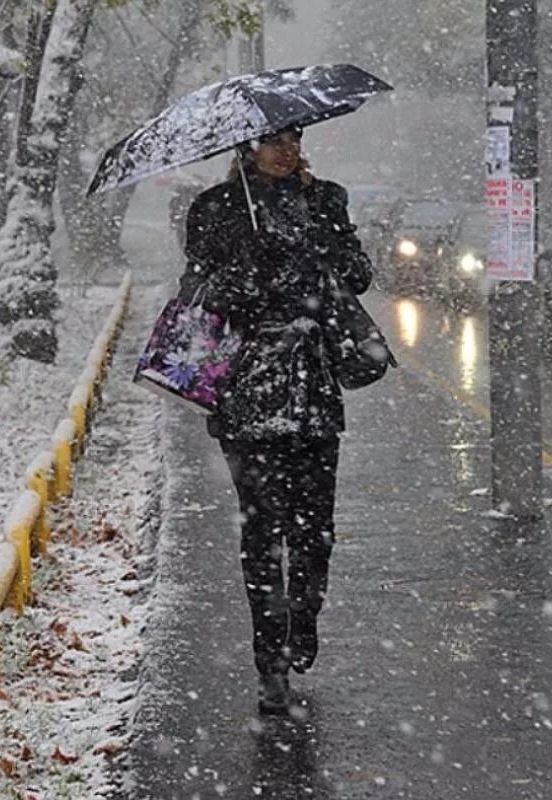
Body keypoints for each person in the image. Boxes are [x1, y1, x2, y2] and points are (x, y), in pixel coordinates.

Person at [178, 127, 372, 715]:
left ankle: (304, 617)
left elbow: (359, 274)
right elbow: (198, 292)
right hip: (248, 391)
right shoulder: (215, 209)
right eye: (271, 141)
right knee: (263, 534)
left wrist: (322, 247)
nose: (285, 149)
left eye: (293, 137)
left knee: (315, 530)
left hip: (313, 389)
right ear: (246, 149)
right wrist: (252, 274)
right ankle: (271, 662)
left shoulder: (325, 200)